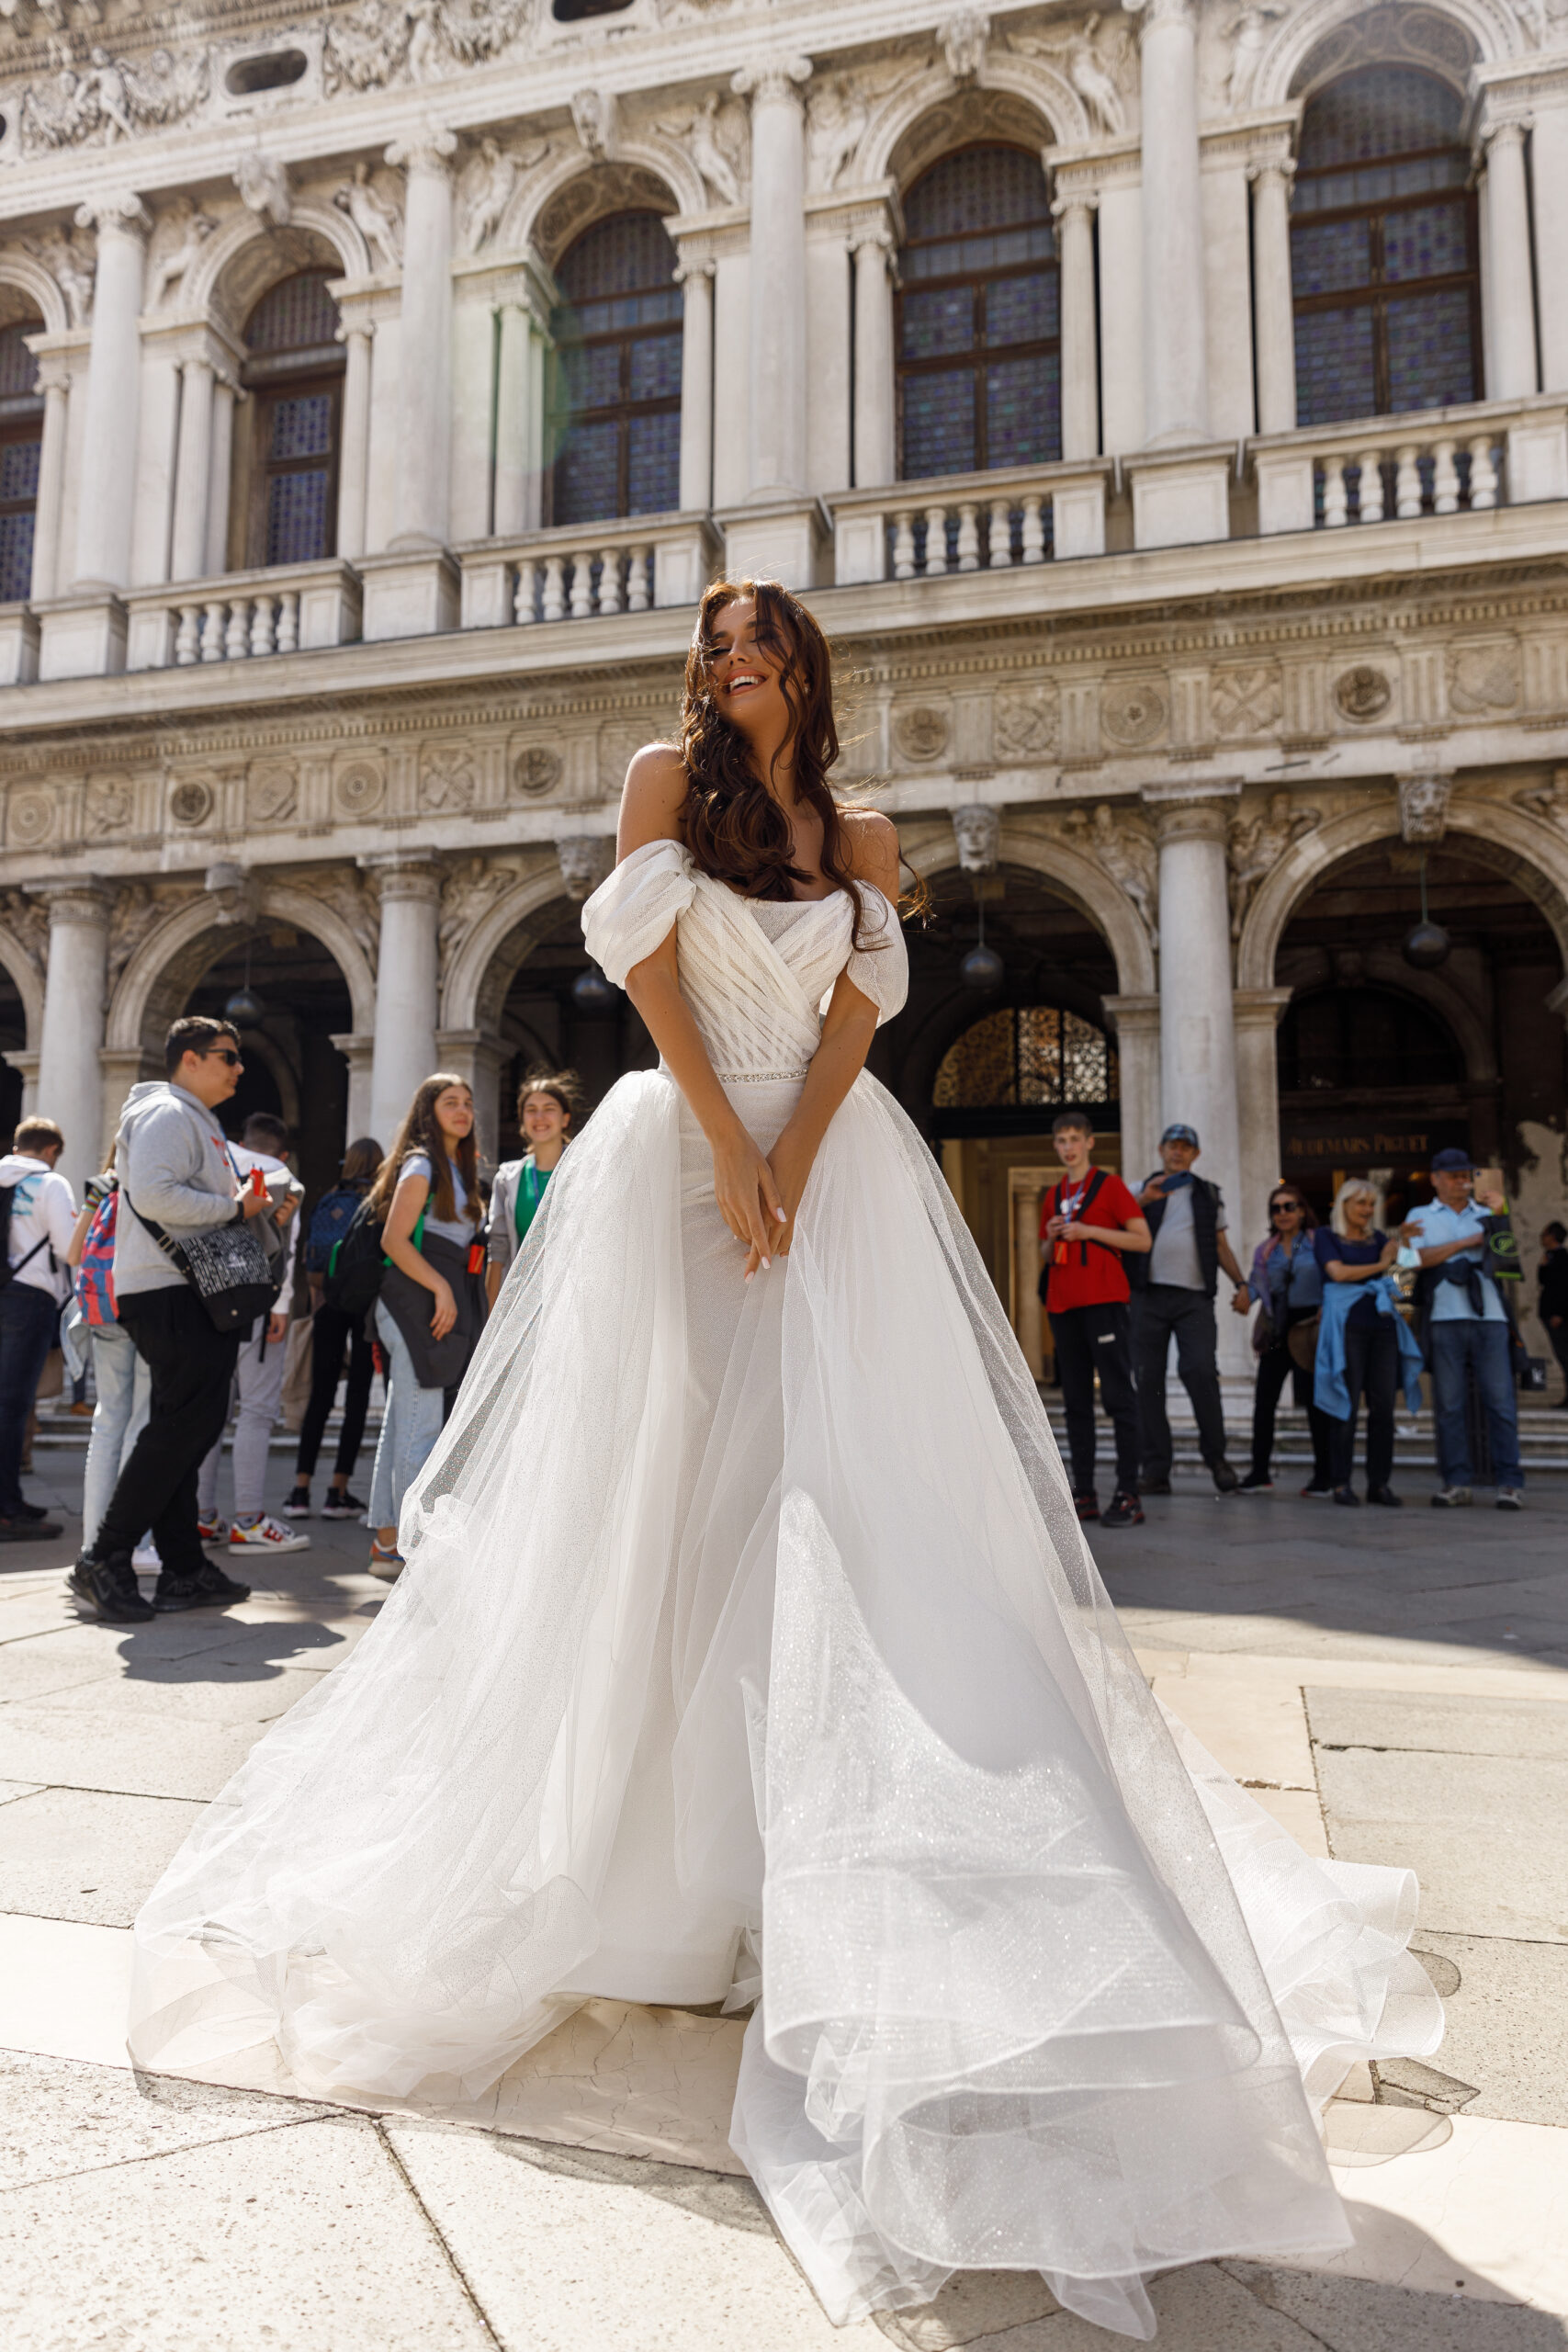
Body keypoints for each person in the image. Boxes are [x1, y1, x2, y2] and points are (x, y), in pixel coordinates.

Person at [130, 580, 1442, 2342]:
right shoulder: (658, 781)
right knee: (662, 1482)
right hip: (675, 1150)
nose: (736, 678)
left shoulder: (865, 830)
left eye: (763, 660)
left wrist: (801, 1159)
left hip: (836, 1167)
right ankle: (645, 1874)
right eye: (720, 658)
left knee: (848, 1495)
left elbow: (855, 1028)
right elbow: (654, 979)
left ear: (807, 675)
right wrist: (730, 1158)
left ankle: (812, 1865)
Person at [66, 1016, 271, 1625]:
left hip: (179, 1287)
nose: (238, 1068)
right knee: (183, 1425)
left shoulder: (192, 1119)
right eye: (227, 1057)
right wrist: (235, 1207)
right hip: (168, 1289)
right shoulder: (166, 1114)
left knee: (187, 1423)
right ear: (188, 1059)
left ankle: (182, 1568)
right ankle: (104, 1557)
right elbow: (153, 1195)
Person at [364, 1075, 488, 1579]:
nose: (462, 1110)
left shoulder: (455, 1167)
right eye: (449, 1103)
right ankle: (414, 1553)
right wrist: (440, 1287)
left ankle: (389, 1541)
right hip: (417, 1302)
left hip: (418, 1301)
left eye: (467, 1102)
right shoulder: (422, 1164)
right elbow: (394, 1240)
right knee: (422, 1424)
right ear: (428, 1111)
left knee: (403, 1422)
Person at [195, 1112, 307, 1557]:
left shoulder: (213, 1161)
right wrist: (281, 1307)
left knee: (211, 1414)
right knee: (256, 1413)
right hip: (258, 1302)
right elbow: (288, 1247)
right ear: (281, 1151)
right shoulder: (282, 1177)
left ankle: (201, 1518)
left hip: (207, 1302)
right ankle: (248, 1520)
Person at [1036, 1107, 1149, 1527]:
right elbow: (1045, 1256)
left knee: (1119, 1397)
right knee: (1076, 1403)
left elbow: (1141, 1239)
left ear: (1089, 1142)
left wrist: (1088, 1232)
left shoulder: (1110, 1186)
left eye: (1074, 1139)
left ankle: (1128, 1492)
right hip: (1063, 1304)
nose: (1068, 1147)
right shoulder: (1053, 1194)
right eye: (1061, 1140)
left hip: (1104, 1301)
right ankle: (1084, 1491)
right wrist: (1051, 1238)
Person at [1128, 1123, 1245, 1496]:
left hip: (1194, 1299)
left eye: (1185, 1147)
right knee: (1148, 1381)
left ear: (1195, 1155)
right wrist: (1145, 1199)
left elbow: (1221, 1245)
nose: (1177, 1152)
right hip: (1148, 1298)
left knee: (1200, 1371)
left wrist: (1241, 1284)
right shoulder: (1140, 1190)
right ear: (1160, 1150)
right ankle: (1156, 1469)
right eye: (1171, 1146)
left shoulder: (1209, 1194)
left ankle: (1217, 1459)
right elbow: (1114, 1222)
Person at [1406, 1147, 1524, 1510]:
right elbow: (1412, 1261)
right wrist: (1467, 1242)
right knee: (1449, 1405)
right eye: (1454, 1176)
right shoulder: (1419, 1215)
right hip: (1444, 1317)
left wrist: (1500, 1216)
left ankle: (1509, 1482)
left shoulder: (1489, 1213)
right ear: (1436, 1179)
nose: (1462, 1182)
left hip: (1490, 1318)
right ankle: (1456, 1481)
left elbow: (1507, 1265)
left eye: (1466, 1175)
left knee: (1501, 1402)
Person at [284, 1137, 383, 1520]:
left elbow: (313, 1260)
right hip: (364, 1307)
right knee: (357, 1396)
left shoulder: (329, 1200)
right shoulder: (376, 1203)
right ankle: (336, 1492)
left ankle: (299, 1489)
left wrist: (319, 1298)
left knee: (319, 1398)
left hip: (327, 1303)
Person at [66, 1145, 152, 1563]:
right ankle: (135, 1544)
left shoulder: (100, 1188)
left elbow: (71, 1253)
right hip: (146, 1312)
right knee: (142, 1425)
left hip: (102, 1313)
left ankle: (91, 1545)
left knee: (106, 1425)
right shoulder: (152, 1187)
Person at [1313, 1180, 1419, 1508]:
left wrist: (1404, 1251)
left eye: (1371, 1204)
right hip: (1347, 1328)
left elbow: (1403, 1287)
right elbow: (1339, 1274)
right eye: (1360, 1203)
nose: (1367, 1210)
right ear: (1344, 1205)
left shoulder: (1384, 1241)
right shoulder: (1326, 1237)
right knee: (1345, 1407)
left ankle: (1379, 1484)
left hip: (1383, 1328)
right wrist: (1383, 1264)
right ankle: (1341, 1483)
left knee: (1384, 1409)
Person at [0, 1116, 75, 1542]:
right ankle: (7, 1509)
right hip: (29, 1298)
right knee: (11, 1408)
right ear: (51, 1151)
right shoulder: (51, 1184)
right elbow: (68, 1248)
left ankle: (10, 1498)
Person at [1236, 1184, 1334, 1498]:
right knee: (1264, 1402)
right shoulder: (1266, 1250)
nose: (1283, 1213)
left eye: (1289, 1206)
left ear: (1302, 1210)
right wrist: (1242, 1295)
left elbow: (1332, 1279)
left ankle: (1324, 1476)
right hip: (1277, 1327)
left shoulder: (1319, 1242)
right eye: (1276, 1208)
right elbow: (1257, 1285)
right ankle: (1259, 1472)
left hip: (1309, 1328)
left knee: (1314, 1404)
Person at [487, 1069, 579, 1306]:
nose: (539, 1117)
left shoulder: (585, 1170)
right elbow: (498, 1250)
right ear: (522, 1120)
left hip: (573, 1299)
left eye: (549, 1108)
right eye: (531, 1110)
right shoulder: (507, 1178)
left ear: (565, 1119)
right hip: (523, 1301)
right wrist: (492, 1322)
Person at [1539, 1220, 1568, 1408]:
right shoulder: (1549, 1257)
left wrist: (1559, 1313)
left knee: (1565, 1354)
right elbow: (1544, 1281)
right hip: (1551, 1313)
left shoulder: (1561, 1258)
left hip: (1559, 1316)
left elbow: (1563, 1288)